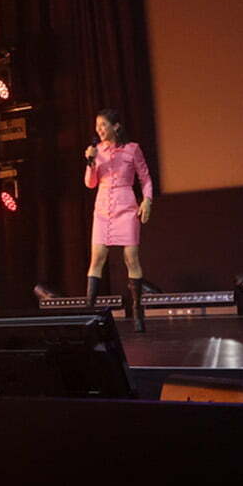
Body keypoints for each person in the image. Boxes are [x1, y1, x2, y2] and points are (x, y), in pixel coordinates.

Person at [83, 109, 155, 332]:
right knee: (97, 258)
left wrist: (147, 200)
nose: (99, 130)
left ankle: (137, 312)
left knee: (130, 258)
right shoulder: (97, 152)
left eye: (103, 125)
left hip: (126, 206)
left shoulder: (132, 149)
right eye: (97, 126)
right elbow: (90, 183)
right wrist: (90, 162)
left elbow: (145, 178)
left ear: (116, 126)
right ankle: (88, 313)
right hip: (103, 208)